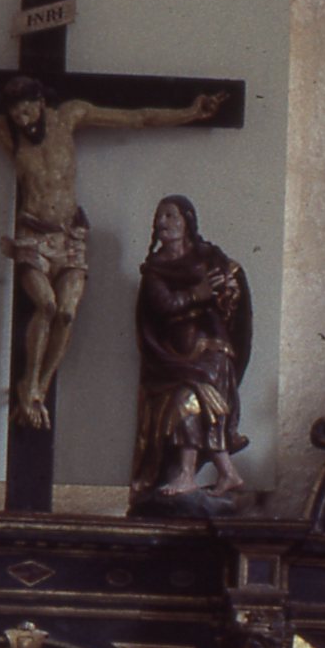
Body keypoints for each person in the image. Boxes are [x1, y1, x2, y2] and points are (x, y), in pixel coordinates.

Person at [0, 65, 226, 430]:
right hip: (33, 237)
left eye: (27, 109)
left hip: (71, 236)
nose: (22, 118)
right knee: (45, 305)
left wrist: (191, 113)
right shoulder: (3, 131)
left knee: (66, 313)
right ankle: (27, 382)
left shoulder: (71, 117)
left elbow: (138, 118)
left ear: (42, 102)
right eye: (15, 112)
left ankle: (38, 389)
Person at [129, 195, 251, 507]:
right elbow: (164, 306)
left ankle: (187, 474)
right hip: (175, 356)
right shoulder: (155, 271)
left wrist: (227, 289)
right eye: (159, 216)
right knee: (193, 403)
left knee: (187, 400)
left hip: (212, 349)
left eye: (170, 215)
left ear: (187, 221)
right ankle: (226, 472)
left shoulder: (208, 257)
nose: (163, 222)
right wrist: (198, 293)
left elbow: (230, 292)